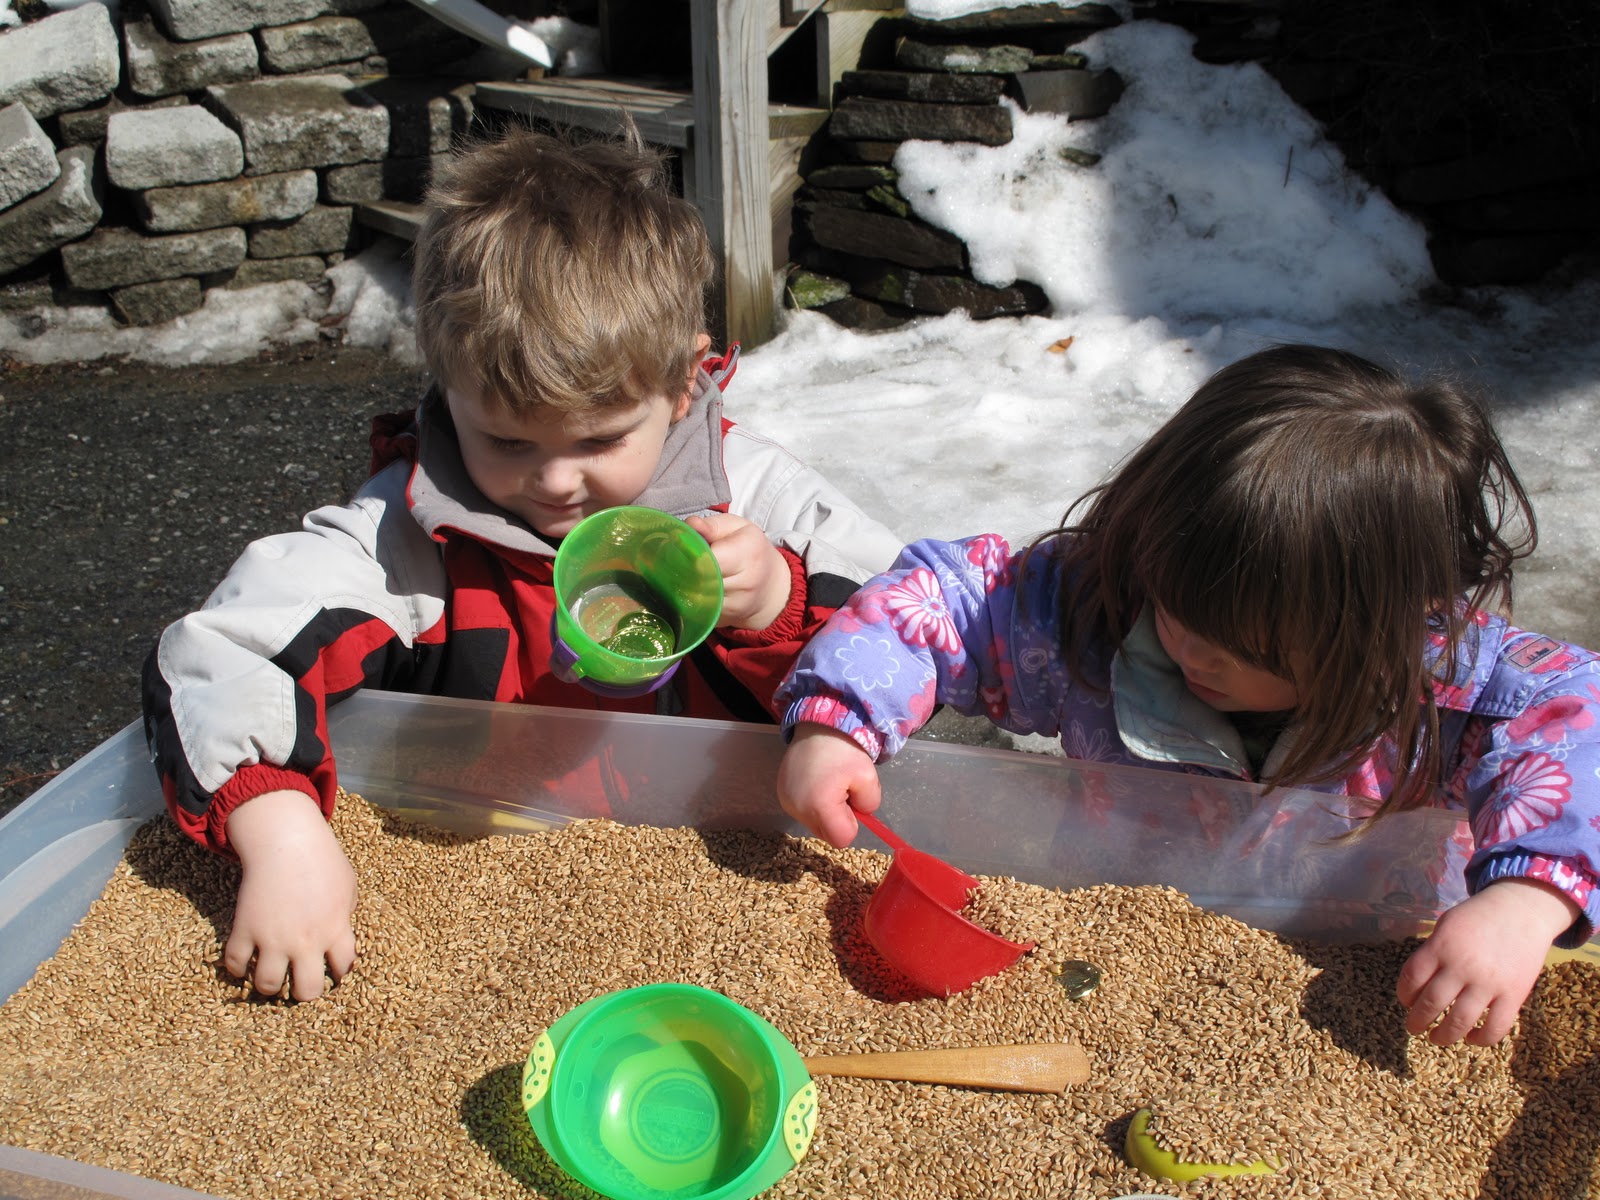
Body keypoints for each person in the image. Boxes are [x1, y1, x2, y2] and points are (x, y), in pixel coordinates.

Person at [141, 125, 904, 1002]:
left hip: (731, 855)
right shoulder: (409, 534)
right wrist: (280, 834)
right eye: (505, 438)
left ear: (684, 382)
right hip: (476, 872)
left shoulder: (757, 499)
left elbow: (914, 627)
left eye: (601, 438)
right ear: (444, 380)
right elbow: (221, 651)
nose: (553, 480)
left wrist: (780, 603)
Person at [775, 343, 1600, 1048]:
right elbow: (951, 601)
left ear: (1381, 634)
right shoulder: (1099, 608)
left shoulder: (1448, 692)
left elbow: (1578, 719)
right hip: (1113, 936)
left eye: (1252, 648)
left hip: (1377, 960)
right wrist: (840, 720)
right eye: (1178, 608)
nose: (1192, 652)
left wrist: (1526, 898)